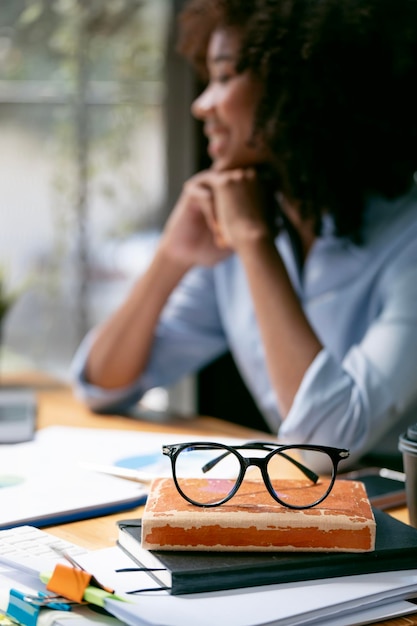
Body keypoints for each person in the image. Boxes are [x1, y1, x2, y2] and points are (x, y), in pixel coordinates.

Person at [72, 0, 417, 470]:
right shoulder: (247, 221)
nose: (201, 104)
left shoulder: (406, 238)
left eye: (224, 77)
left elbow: (326, 445)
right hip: (306, 506)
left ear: (296, 85)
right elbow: (103, 382)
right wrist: (171, 258)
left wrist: (254, 244)